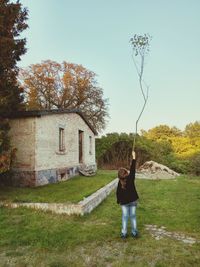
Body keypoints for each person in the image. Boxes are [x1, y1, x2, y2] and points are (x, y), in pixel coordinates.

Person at [116, 150, 139, 239]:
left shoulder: (120, 182)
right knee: (132, 217)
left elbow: (118, 193)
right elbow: (133, 169)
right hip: (133, 201)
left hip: (124, 203)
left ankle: (124, 233)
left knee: (125, 217)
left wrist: (119, 201)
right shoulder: (131, 178)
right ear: (126, 173)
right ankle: (134, 233)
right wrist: (134, 157)